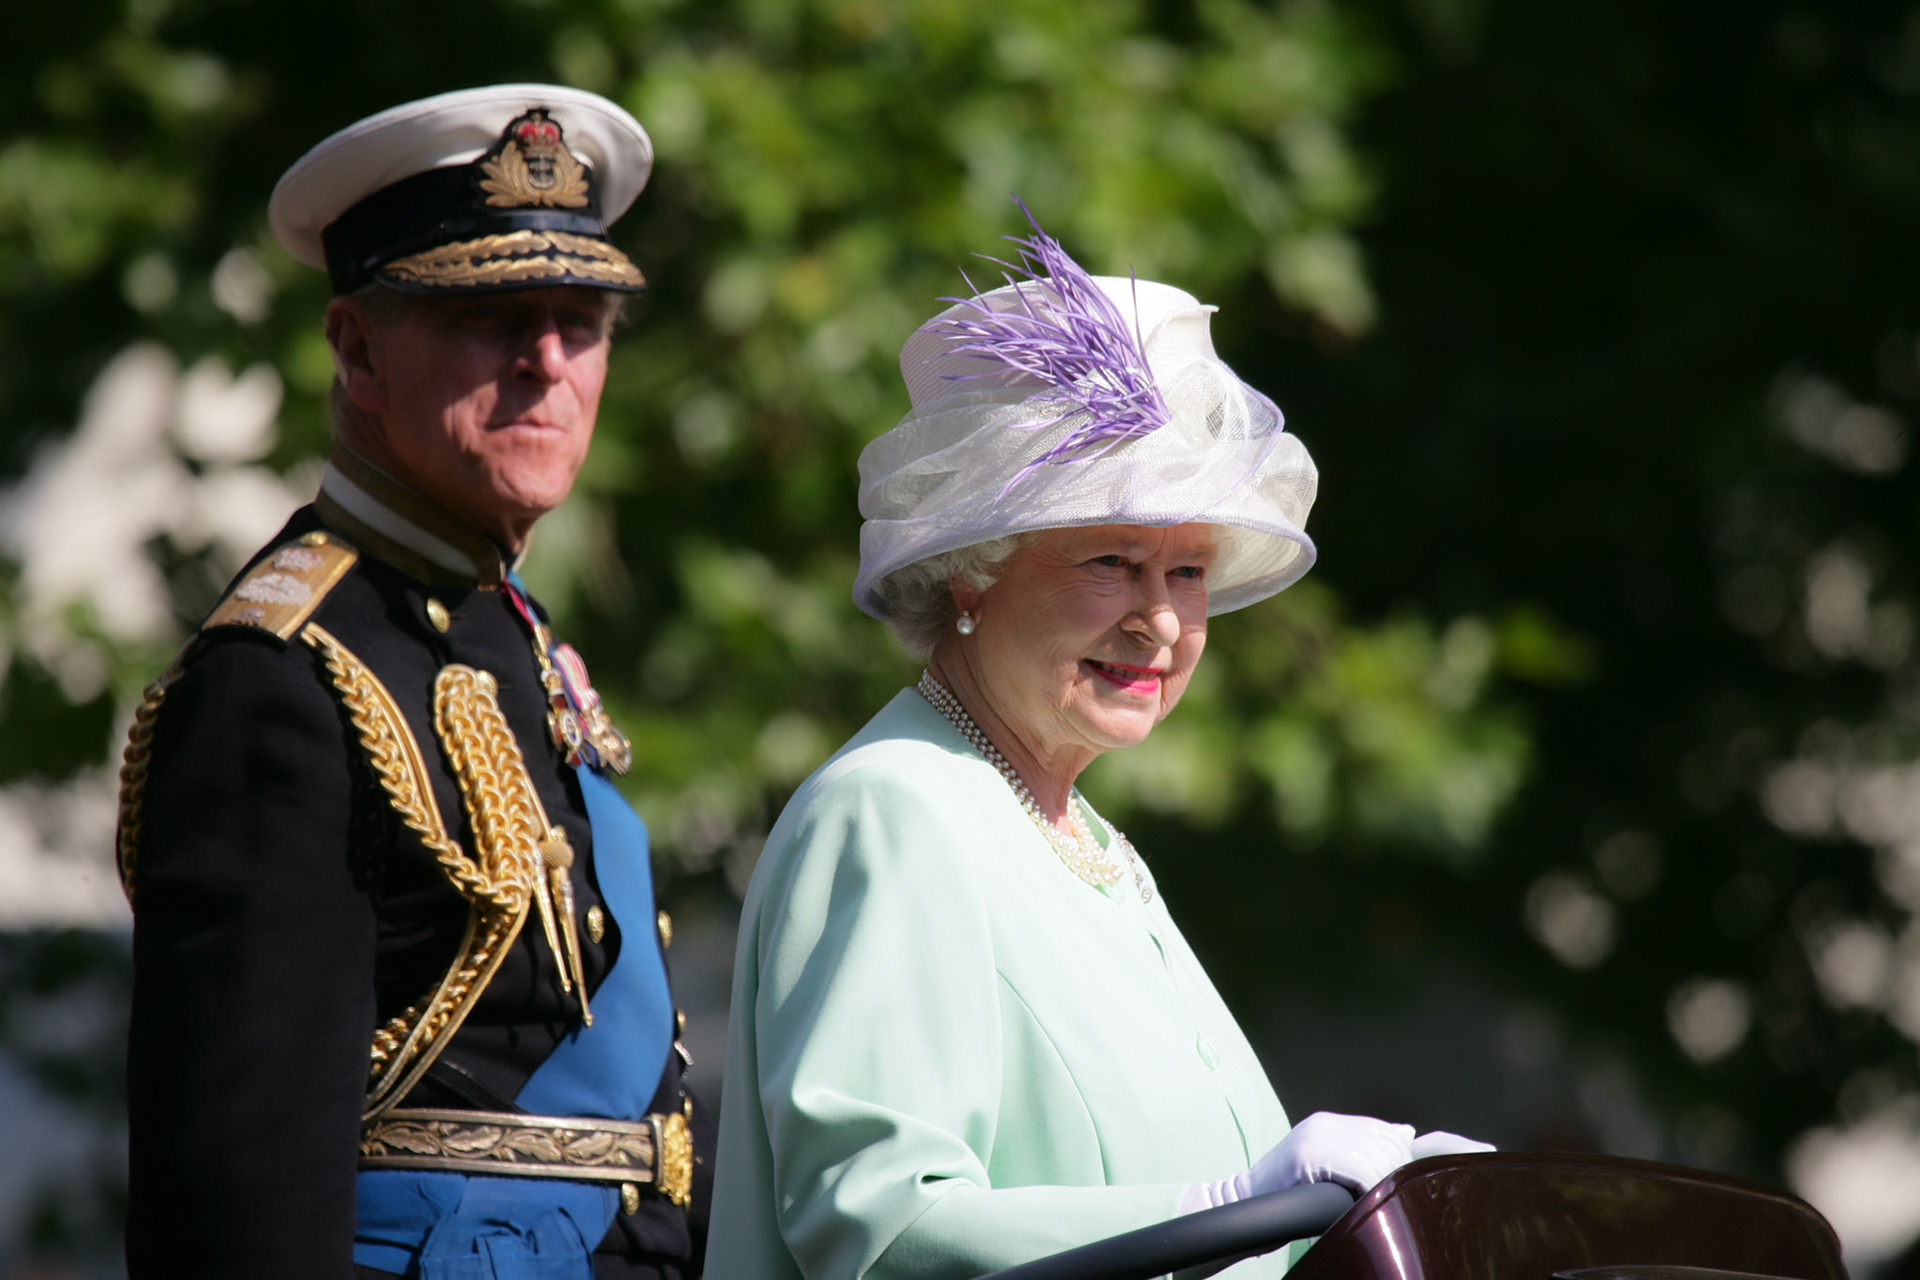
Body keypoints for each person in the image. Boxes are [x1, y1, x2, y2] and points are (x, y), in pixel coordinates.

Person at [708, 207, 1489, 1279]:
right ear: (972, 570)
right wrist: (1232, 1201)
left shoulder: (1091, 844)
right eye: (1112, 560)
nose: (1159, 621)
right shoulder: (895, 811)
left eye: (1188, 571)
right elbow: (882, 1234)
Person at [117, 85, 710, 1279]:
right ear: (356, 348)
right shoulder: (281, 678)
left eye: (581, 318)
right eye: (491, 314)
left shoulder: (510, 634)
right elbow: (237, 1197)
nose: (547, 361)